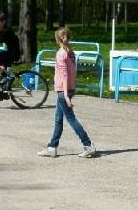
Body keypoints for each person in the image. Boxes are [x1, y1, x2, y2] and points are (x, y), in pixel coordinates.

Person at [37, 27, 97, 158]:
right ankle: (52, 147)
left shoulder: (61, 54)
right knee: (58, 119)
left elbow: (64, 75)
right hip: (68, 89)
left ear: (57, 39)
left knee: (71, 119)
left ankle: (88, 145)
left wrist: (65, 95)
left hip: (63, 91)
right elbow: (71, 73)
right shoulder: (71, 53)